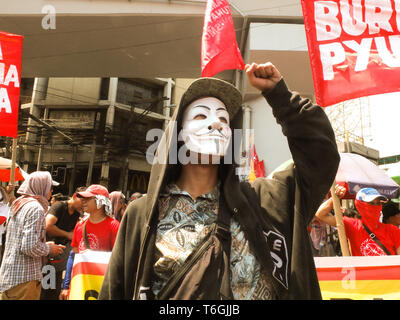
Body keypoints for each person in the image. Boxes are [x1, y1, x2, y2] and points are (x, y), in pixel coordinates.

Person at [99, 61, 340, 300]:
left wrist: (281, 97)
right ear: (178, 134)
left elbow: (321, 158)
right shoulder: (142, 214)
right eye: (201, 115)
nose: (215, 123)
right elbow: (115, 291)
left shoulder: (265, 200)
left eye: (224, 119)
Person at [0, 171, 66, 300]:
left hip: (10, 274)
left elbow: (21, 241)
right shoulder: (35, 208)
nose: (51, 191)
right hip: (25, 278)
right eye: (49, 187)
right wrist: (49, 249)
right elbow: (29, 247)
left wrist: (43, 245)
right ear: (40, 186)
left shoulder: (19, 203)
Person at [59, 184, 120, 300]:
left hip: (102, 286)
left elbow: (118, 258)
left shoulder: (114, 226)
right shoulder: (80, 225)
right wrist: (65, 286)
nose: (83, 201)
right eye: (83, 198)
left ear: (100, 201)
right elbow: (73, 256)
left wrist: (93, 255)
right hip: (80, 284)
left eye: (88, 198)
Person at [316, 186, 400, 256]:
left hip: (388, 275)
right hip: (363, 275)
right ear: (360, 205)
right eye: (371, 203)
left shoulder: (393, 230)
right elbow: (321, 214)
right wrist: (335, 198)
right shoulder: (352, 226)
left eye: (378, 203)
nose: (375, 207)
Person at [40, 187, 86, 300]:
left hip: (60, 256)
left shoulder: (76, 213)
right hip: (48, 254)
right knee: (45, 290)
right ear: (75, 196)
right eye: (82, 201)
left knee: (54, 290)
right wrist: (67, 234)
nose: (83, 205)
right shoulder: (59, 206)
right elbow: (48, 226)